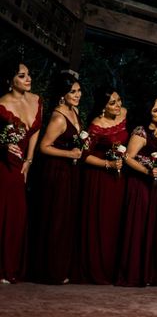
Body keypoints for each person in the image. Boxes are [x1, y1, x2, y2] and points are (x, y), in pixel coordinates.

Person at [33, 71, 83, 284]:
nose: (78, 94)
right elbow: (44, 147)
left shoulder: (75, 111)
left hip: (69, 172)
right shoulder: (57, 117)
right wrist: (70, 153)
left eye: (79, 90)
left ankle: (60, 267)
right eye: (73, 91)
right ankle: (50, 271)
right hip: (57, 172)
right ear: (63, 94)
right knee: (56, 219)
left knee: (66, 220)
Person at [78, 86, 128, 284]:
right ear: (102, 107)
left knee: (118, 222)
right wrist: (108, 164)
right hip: (100, 179)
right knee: (103, 223)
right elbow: (84, 155)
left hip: (119, 178)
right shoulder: (96, 125)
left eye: (118, 100)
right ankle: (98, 268)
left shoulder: (124, 114)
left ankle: (115, 269)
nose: (118, 105)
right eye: (112, 103)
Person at [116, 97, 157, 286]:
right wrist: (147, 170)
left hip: (155, 185)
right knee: (138, 225)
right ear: (148, 113)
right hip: (139, 184)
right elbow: (128, 157)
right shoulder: (141, 131)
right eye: (156, 110)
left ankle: (148, 273)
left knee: (151, 226)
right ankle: (133, 273)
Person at [0, 60, 42, 284]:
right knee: (4, 213)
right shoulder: (1, 104)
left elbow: (35, 130)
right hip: (5, 165)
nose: (28, 79)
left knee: (18, 215)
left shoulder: (37, 99)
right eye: (22, 76)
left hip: (23, 164)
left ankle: (12, 266)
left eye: (28, 75)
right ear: (10, 81)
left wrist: (30, 159)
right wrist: (3, 144)